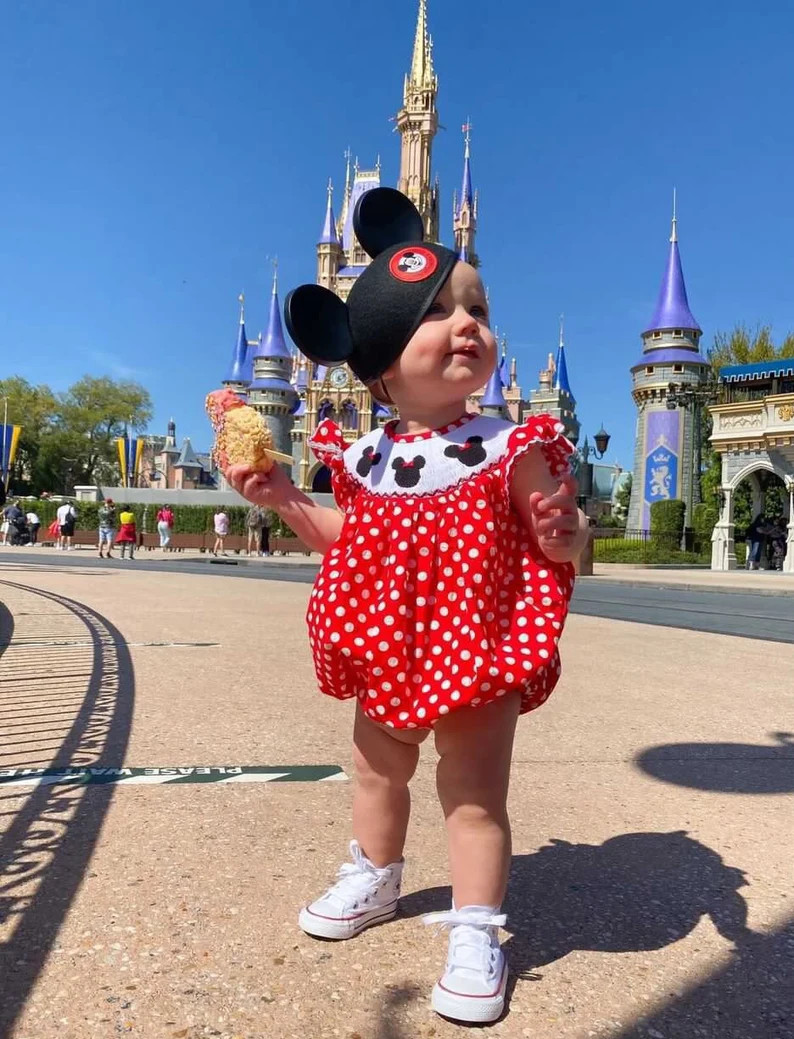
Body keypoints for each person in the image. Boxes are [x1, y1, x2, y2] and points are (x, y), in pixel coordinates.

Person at [224, 189, 587, 1024]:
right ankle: (375, 873)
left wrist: (564, 533)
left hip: (476, 647)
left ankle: (476, 926)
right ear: (382, 364)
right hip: (388, 646)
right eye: (438, 313)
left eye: (477, 309)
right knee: (376, 769)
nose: (467, 324)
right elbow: (348, 538)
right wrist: (284, 497)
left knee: (473, 791)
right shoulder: (364, 456)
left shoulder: (510, 447)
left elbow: (559, 542)